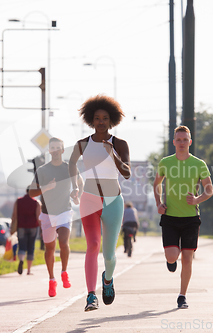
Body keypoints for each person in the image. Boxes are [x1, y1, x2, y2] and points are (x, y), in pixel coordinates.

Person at [69, 95, 131, 311]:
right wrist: (76, 186)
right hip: (90, 200)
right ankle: (90, 296)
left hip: (113, 201)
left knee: (109, 254)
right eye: (97, 118)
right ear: (91, 120)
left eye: (105, 118)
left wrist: (112, 153)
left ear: (111, 120)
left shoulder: (120, 144)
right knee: (93, 245)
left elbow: (127, 173)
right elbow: (71, 164)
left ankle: (108, 279)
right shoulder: (82, 144)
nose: (101, 122)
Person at [153, 125, 213, 309]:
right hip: (170, 216)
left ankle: (182, 296)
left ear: (190, 142)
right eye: (178, 140)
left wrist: (197, 199)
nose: (181, 143)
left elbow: (209, 189)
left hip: (190, 218)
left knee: (187, 259)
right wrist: (158, 203)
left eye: (184, 140)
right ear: (174, 142)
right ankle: (170, 260)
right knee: (172, 257)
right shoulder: (165, 162)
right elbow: (157, 184)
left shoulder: (199, 164)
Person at [29, 137, 84, 297]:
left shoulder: (70, 168)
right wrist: (46, 187)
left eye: (57, 148)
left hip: (64, 211)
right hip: (47, 214)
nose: (54, 151)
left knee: (63, 242)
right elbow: (31, 192)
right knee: (50, 249)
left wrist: (76, 194)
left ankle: (64, 272)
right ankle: (52, 280)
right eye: (52, 148)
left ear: (62, 150)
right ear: (49, 151)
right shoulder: (42, 171)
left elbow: (80, 183)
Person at [10, 187, 41, 276]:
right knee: (31, 247)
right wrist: (42, 229)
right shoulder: (36, 203)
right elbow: (38, 217)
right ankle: (28, 270)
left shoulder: (18, 201)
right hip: (33, 227)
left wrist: (12, 227)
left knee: (22, 246)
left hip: (21, 227)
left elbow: (14, 215)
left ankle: (21, 260)